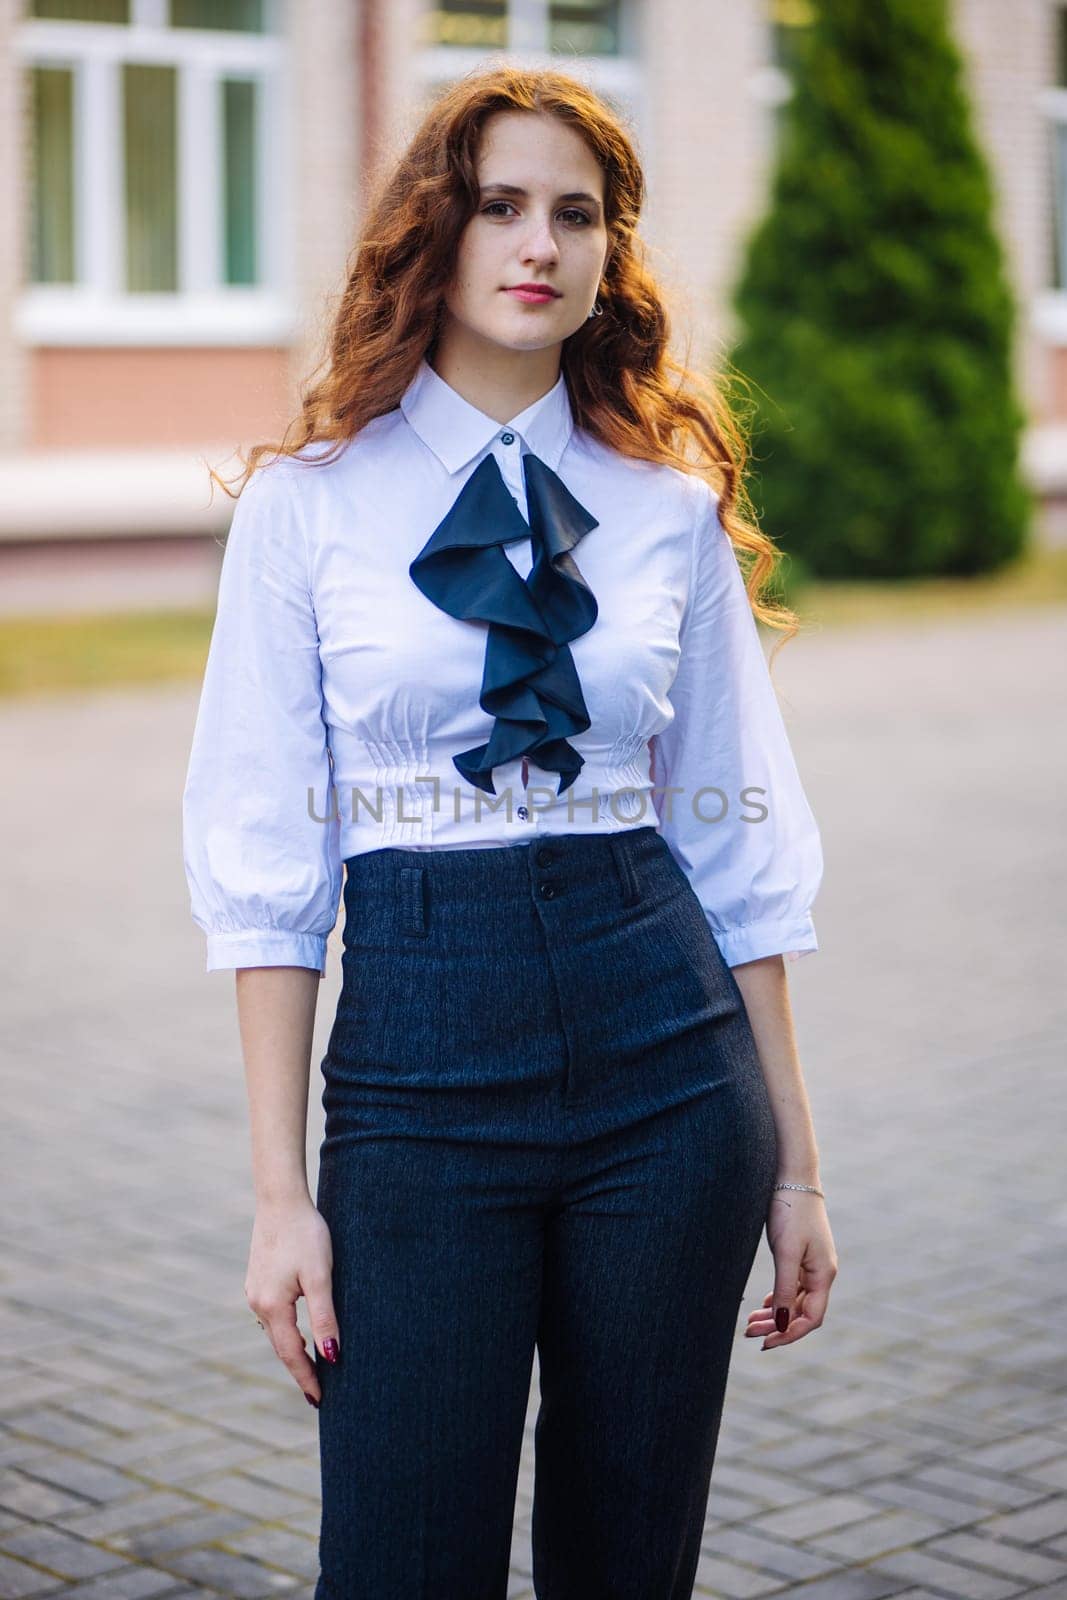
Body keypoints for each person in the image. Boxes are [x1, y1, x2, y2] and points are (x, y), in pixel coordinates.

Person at [182, 63, 837, 1600]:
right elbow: (268, 873)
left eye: (578, 213)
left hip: (670, 1062)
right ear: (436, 232)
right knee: (404, 1555)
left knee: (629, 1557)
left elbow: (739, 854)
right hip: (418, 1071)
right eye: (499, 206)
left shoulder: (664, 506)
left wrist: (799, 1168)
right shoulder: (311, 506)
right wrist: (284, 1199)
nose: (538, 243)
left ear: (615, 254)